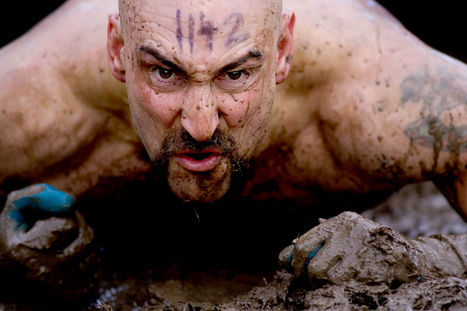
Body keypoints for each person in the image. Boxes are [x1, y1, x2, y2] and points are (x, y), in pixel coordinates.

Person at [0, 0, 465, 296]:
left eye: (236, 74)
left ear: (282, 50)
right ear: (117, 49)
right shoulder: (32, 105)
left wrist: (412, 257)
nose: (200, 126)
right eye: (165, 73)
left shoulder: (383, 97)